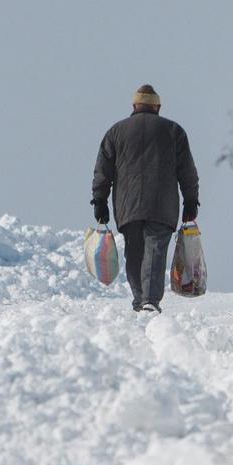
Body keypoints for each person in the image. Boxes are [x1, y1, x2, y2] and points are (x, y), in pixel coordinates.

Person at [91, 84, 199, 313]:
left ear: (134, 106)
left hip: (128, 205)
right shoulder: (173, 131)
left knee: (135, 252)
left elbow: (103, 170)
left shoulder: (116, 132)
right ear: (157, 107)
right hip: (163, 204)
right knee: (155, 250)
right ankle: (149, 300)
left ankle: (140, 298)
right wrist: (191, 200)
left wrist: (99, 200)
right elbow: (187, 171)